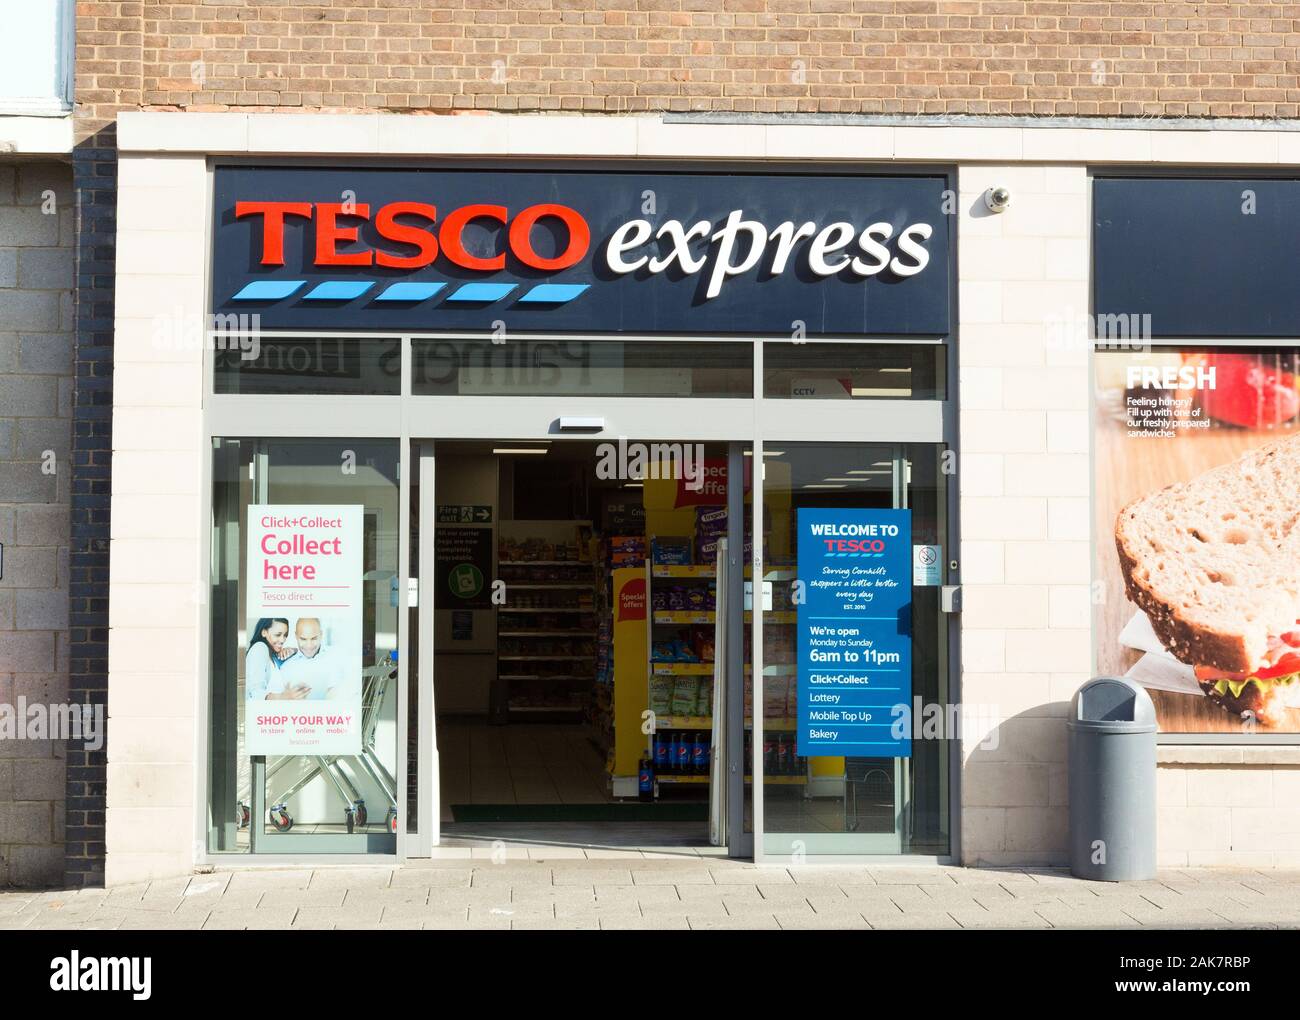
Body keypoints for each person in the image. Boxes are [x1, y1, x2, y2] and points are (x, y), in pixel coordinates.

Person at [278, 617, 343, 700]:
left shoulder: (335, 657)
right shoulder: (286, 667)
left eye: (314, 638)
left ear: (321, 635)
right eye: (303, 639)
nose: (309, 645)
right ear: (296, 636)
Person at [245, 617, 309, 701]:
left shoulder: (273, 656)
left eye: (285, 635)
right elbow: (254, 694)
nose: (282, 640)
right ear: (264, 632)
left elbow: (299, 653)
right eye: (278, 635)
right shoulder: (259, 648)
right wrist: (283, 697)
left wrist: (292, 650)